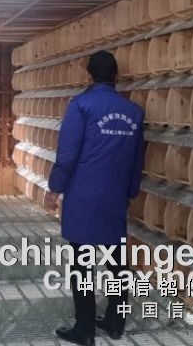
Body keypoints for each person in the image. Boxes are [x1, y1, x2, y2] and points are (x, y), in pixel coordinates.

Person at [46, 50, 145, 346]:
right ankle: (115, 323)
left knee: (82, 265)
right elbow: (137, 160)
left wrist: (54, 189)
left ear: (88, 75)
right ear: (116, 76)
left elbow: (67, 155)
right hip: (114, 198)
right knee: (116, 264)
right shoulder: (134, 112)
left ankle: (85, 330)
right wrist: (130, 192)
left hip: (84, 198)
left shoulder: (80, 106)